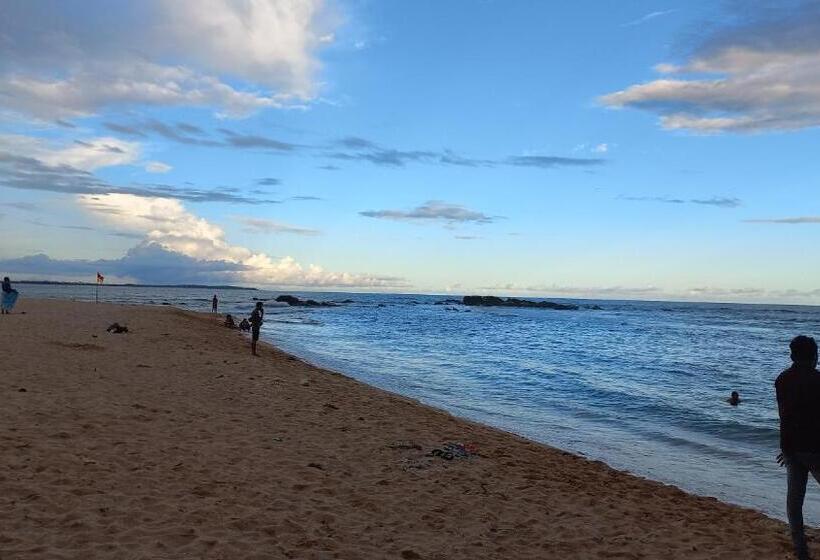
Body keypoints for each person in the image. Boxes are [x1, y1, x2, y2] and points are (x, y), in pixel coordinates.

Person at [776, 335, 820, 560]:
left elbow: (785, 418)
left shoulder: (782, 380)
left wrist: (785, 449)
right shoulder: (818, 380)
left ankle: (801, 549)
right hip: (816, 449)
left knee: (794, 501)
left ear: (793, 356)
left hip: (792, 449)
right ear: (814, 357)